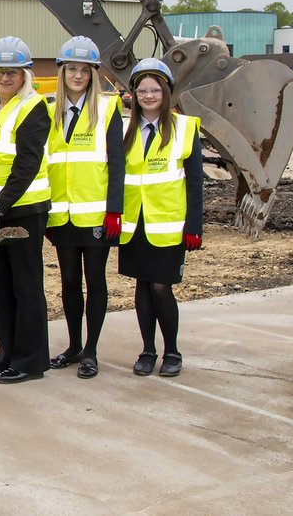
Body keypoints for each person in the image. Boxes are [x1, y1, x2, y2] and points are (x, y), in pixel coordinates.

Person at [0, 36, 52, 384]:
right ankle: (8, 352)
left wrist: (0, 206)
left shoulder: (33, 108)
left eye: (13, 72)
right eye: (1, 71)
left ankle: (31, 360)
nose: (6, 78)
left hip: (22, 210)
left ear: (25, 75)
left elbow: (27, 165)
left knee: (25, 286)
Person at [45, 36, 125, 380]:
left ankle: (91, 350)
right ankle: (74, 346)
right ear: (62, 72)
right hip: (61, 215)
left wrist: (114, 210)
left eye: (84, 70)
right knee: (68, 282)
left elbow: (118, 164)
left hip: (94, 215)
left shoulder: (107, 108)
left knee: (94, 281)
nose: (78, 75)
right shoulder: (50, 111)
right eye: (72, 69)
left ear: (93, 74)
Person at [119, 58, 203, 378]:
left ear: (166, 92)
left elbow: (195, 182)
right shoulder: (127, 130)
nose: (149, 95)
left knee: (160, 288)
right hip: (135, 223)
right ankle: (147, 350)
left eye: (156, 89)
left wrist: (194, 225)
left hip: (168, 224)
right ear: (135, 94)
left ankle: (172, 351)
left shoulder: (184, 128)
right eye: (143, 90)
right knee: (142, 287)